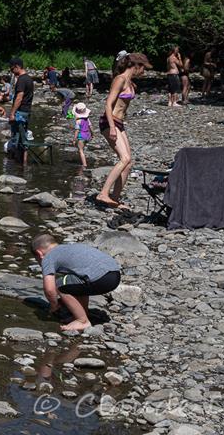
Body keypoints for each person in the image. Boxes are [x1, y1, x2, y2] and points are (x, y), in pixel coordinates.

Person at [32, 234, 121, 332]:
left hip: (100, 278)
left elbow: (49, 289)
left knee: (59, 284)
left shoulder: (48, 256)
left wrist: (54, 306)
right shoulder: (70, 248)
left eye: (37, 261)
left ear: (39, 253)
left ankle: (82, 321)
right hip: (114, 274)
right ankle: (83, 313)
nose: (39, 263)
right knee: (75, 281)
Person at [94, 53, 150, 208]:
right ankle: (103, 194)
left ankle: (115, 199)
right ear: (136, 66)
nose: (144, 71)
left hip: (119, 123)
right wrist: (112, 127)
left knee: (129, 162)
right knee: (124, 158)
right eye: (143, 67)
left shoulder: (130, 82)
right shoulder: (119, 79)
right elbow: (108, 104)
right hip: (109, 121)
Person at [7, 57, 34, 166]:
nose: (12, 72)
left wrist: (12, 113)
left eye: (12, 69)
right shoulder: (29, 79)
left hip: (20, 113)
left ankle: (16, 164)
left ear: (17, 67)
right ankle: (23, 164)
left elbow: (19, 97)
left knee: (16, 138)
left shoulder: (22, 80)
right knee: (23, 138)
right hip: (27, 112)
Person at [72, 102, 92, 168]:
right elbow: (90, 127)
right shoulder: (87, 119)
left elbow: (77, 130)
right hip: (87, 135)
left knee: (80, 150)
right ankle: (83, 161)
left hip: (81, 136)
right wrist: (92, 134)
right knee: (83, 148)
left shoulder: (78, 121)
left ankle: (84, 164)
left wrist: (74, 139)